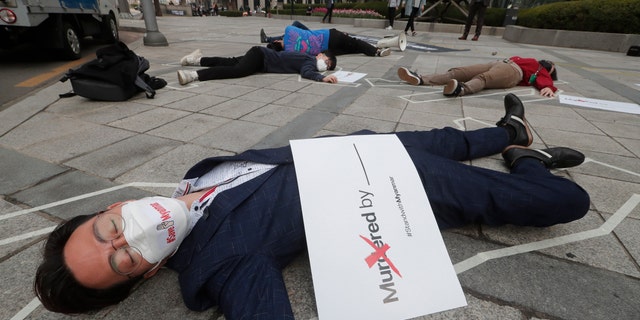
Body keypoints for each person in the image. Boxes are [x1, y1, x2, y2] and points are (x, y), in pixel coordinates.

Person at [35, 93, 590, 318]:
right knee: (567, 199)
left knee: (450, 137)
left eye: (107, 228)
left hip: (364, 147)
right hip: (402, 189)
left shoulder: (190, 184)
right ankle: (527, 159)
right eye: (122, 259)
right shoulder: (216, 263)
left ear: (111, 206)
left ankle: (508, 130)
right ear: (149, 270)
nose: (126, 236)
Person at [398, 57, 558, 97]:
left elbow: (545, 80)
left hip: (513, 72)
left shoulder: (540, 68)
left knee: (484, 78)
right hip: (500, 62)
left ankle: (460, 89)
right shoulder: (533, 61)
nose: (549, 63)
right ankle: (421, 79)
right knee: (458, 72)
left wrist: (547, 87)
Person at [176, 46, 338, 85]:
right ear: (320, 55)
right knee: (238, 70)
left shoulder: (306, 56)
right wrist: (322, 78)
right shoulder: (309, 60)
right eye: (327, 62)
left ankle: (195, 60)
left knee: (230, 61)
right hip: (260, 57)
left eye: (328, 67)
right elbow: (306, 72)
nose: (326, 66)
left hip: (260, 55)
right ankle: (194, 75)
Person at [260, 21, 391, 57]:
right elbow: (295, 24)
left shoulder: (289, 53)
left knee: (351, 49)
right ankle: (376, 51)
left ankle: (373, 51)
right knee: (354, 42)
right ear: (276, 42)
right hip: (329, 36)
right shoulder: (289, 31)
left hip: (327, 50)